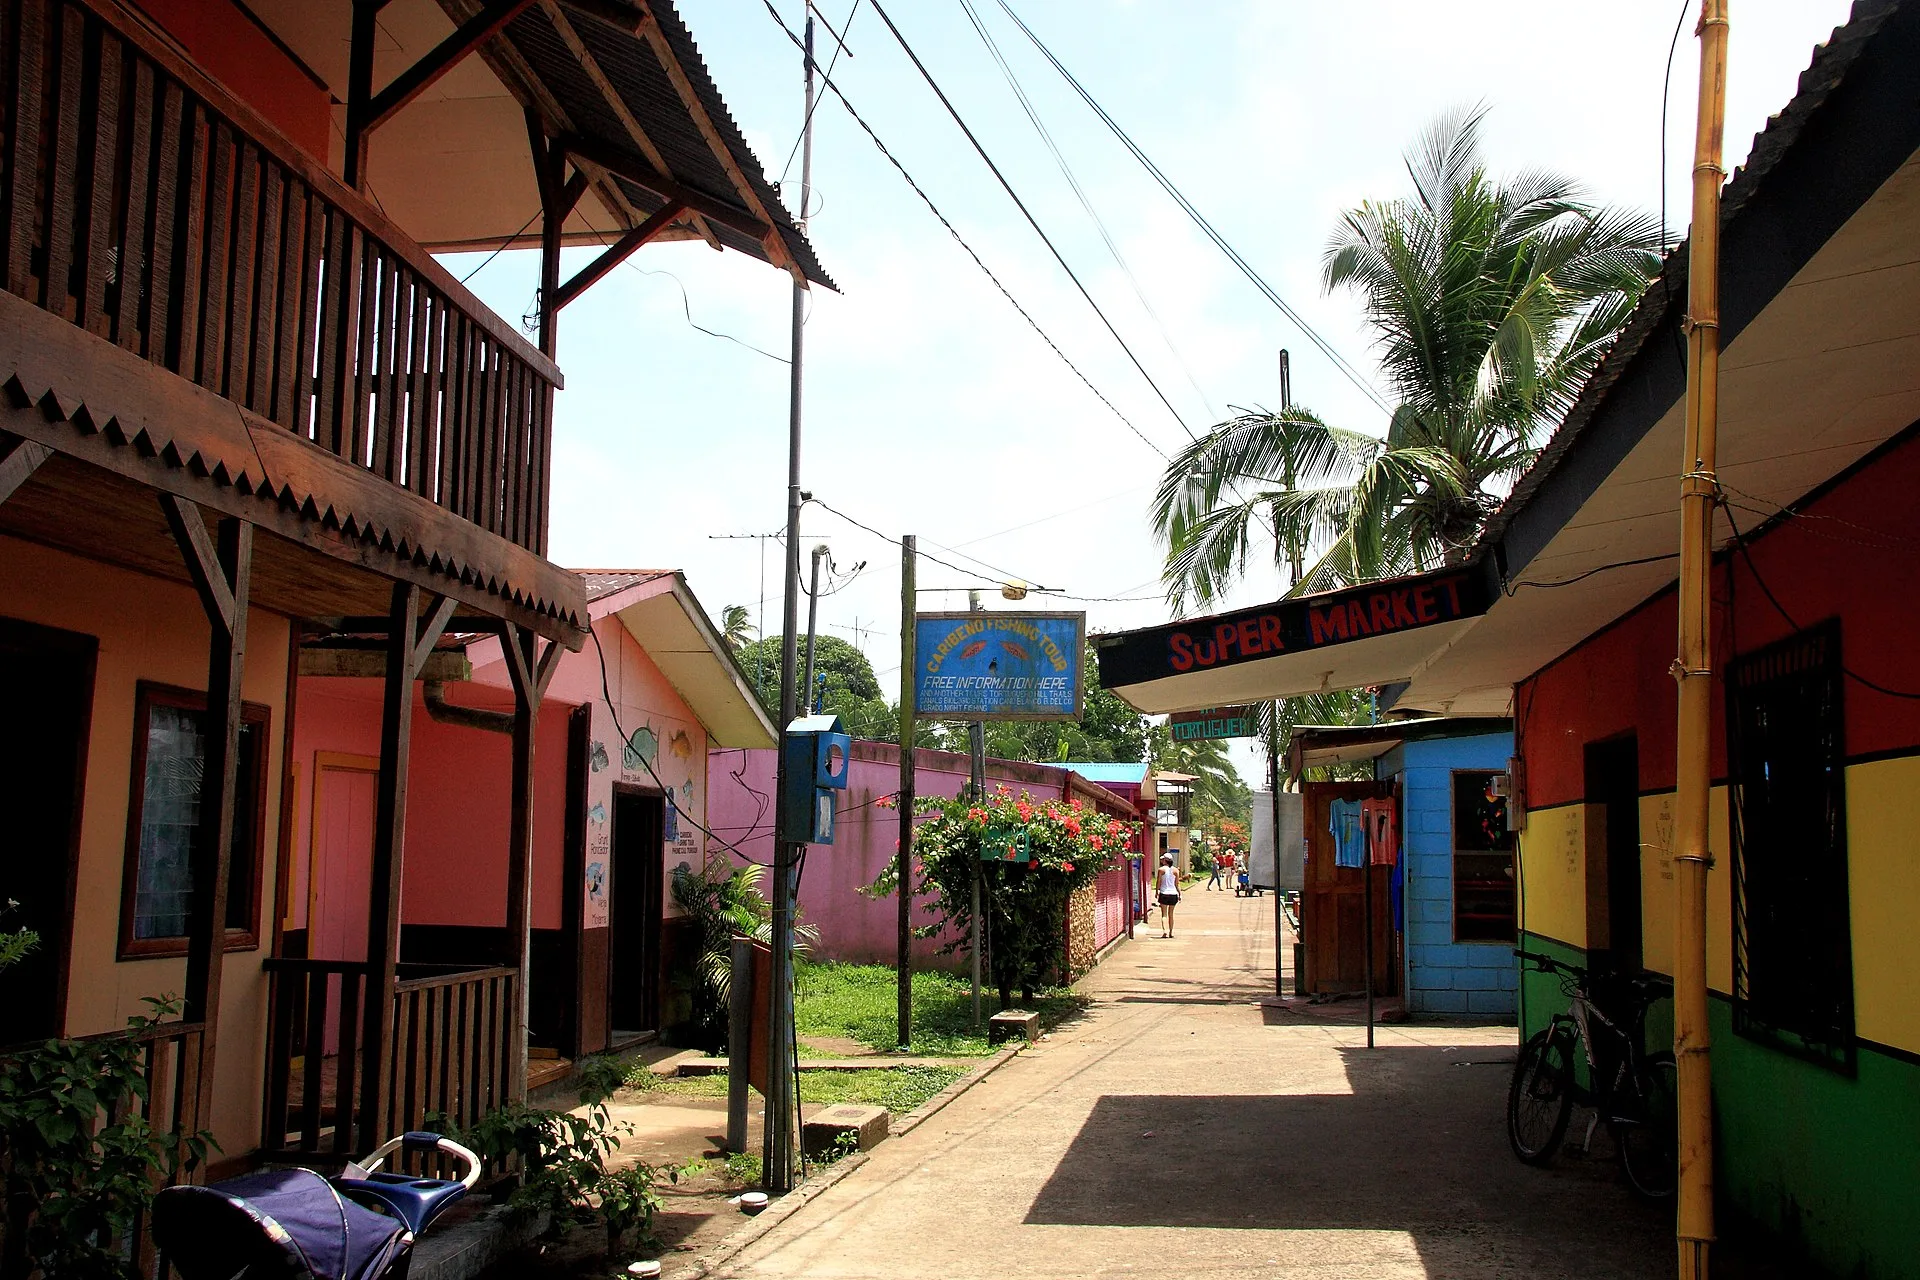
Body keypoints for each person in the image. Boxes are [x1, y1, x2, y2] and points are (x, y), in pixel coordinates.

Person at [1156, 855, 1181, 937]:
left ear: (1165, 860)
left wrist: (1157, 891)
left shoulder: (1161, 870)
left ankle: (1165, 931)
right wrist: (1179, 894)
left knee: (1164, 914)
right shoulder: (1176, 870)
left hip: (1164, 893)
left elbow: (1158, 882)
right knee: (1171, 914)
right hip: (1173, 893)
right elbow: (1177, 884)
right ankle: (1171, 932)